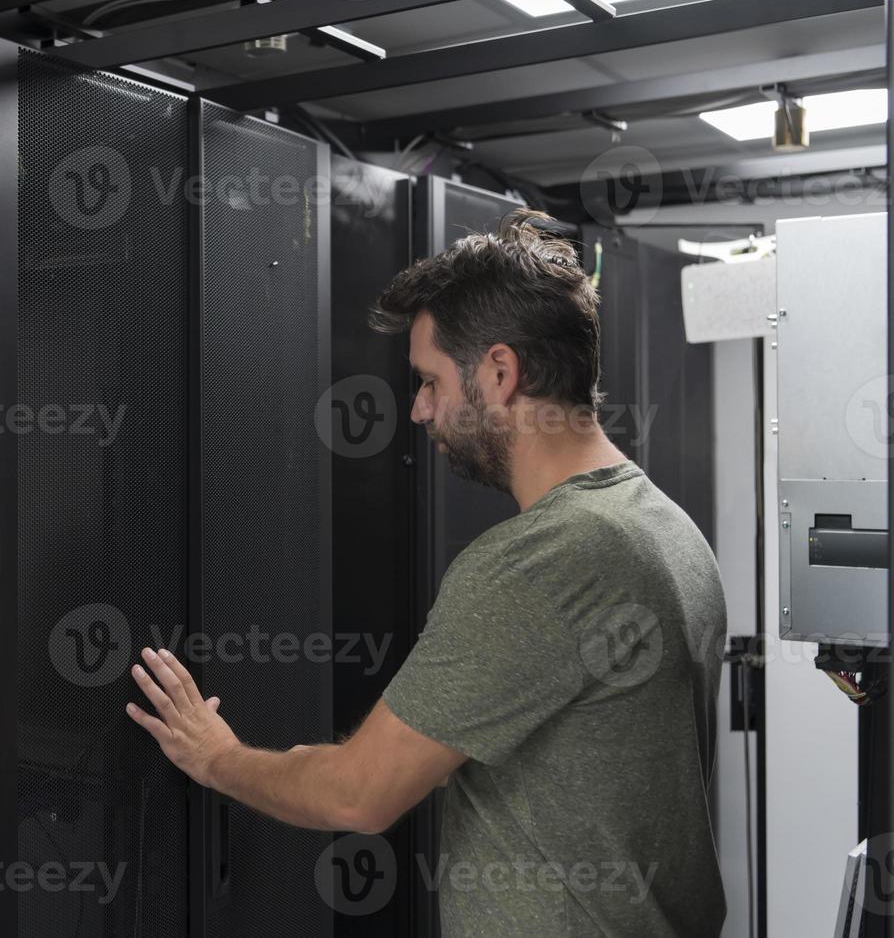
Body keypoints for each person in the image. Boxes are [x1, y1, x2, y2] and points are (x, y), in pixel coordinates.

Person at [126, 212, 728, 936]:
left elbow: (359, 795)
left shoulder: (542, 560)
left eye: (430, 381)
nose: (418, 409)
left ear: (501, 373)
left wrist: (217, 758)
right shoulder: (668, 527)